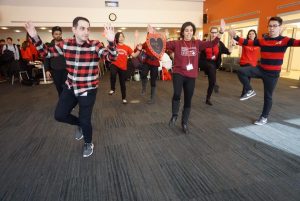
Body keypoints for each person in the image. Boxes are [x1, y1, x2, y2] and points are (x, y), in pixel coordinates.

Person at [25, 17, 117, 157]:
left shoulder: (95, 45)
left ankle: (88, 142)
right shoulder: (66, 44)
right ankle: (79, 124)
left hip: (88, 89)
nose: (86, 32)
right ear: (73, 29)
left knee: (86, 120)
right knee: (60, 115)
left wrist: (111, 41)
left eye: (88, 28)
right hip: (71, 86)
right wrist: (34, 36)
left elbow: (111, 58)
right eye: (82, 28)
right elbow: (46, 53)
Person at [229, 16, 300, 125]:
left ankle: (264, 117)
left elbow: (298, 42)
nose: (271, 28)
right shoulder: (263, 40)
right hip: (261, 69)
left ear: (280, 27)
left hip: (272, 74)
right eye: (270, 26)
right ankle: (249, 90)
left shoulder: (285, 40)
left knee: (268, 96)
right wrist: (235, 37)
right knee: (241, 71)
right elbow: (248, 42)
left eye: (275, 26)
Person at [166, 19, 225, 133]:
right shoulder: (176, 43)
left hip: (191, 75)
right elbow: (162, 45)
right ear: (182, 32)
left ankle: (184, 123)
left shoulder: (197, 43)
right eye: (186, 30)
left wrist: (221, 33)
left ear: (193, 32)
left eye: (191, 30)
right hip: (178, 73)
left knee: (188, 99)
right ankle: (174, 115)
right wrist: (153, 35)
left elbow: (212, 43)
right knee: (177, 93)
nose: (189, 33)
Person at [199, 26, 231, 106]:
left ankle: (208, 98)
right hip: (204, 62)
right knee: (210, 67)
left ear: (217, 33)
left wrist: (232, 45)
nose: (213, 34)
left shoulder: (219, 44)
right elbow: (198, 52)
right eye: (212, 32)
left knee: (212, 82)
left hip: (213, 64)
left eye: (215, 32)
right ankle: (211, 78)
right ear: (210, 33)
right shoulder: (205, 42)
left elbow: (228, 52)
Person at [108, 32, 142, 104]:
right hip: (115, 64)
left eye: (122, 36)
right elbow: (108, 49)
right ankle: (112, 89)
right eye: (119, 36)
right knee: (113, 74)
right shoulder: (114, 46)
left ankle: (124, 98)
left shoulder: (127, 47)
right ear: (117, 38)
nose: (121, 38)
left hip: (123, 67)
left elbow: (134, 55)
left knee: (122, 83)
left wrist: (139, 50)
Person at [44, 26, 68, 96]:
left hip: (66, 70)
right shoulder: (49, 46)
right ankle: (62, 103)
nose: (58, 35)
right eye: (56, 34)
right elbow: (46, 58)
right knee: (59, 88)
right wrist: (47, 70)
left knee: (67, 88)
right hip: (55, 71)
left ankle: (68, 104)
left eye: (60, 34)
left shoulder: (66, 44)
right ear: (53, 35)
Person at [139, 31, 161, 104]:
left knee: (153, 80)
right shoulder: (146, 43)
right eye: (148, 35)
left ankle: (152, 98)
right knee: (143, 74)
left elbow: (163, 49)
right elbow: (139, 48)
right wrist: (138, 46)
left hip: (155, 63)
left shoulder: (158, 43)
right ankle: (144, 88)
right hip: (147, 62)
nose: (149, 36)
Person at [238, 29, 260, 97]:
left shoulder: (258, 43)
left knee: (248, 79)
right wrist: (233, 42)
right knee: (246, 79)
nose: (251, 35)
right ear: (248, 35)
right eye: (249, 34)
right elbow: (237, 42)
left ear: (255, 35)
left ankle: (244, 92)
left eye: (253, 33)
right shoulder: (245, 42)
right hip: (244, 62)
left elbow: (253, 49)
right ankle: (245, 92)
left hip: (252, 64)